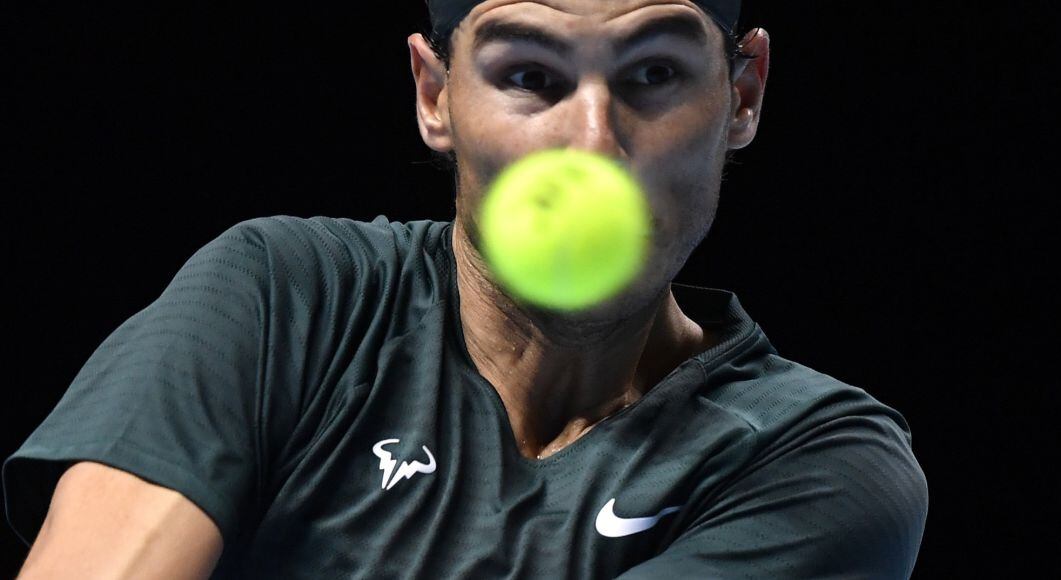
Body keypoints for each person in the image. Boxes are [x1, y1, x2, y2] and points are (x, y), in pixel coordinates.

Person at [4, 1, 928, 578]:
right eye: (530, 76)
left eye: (653, 74)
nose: (593, 144)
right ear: (435, 94)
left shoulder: (822, 461)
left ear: (742, 95)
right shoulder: (281, 296)